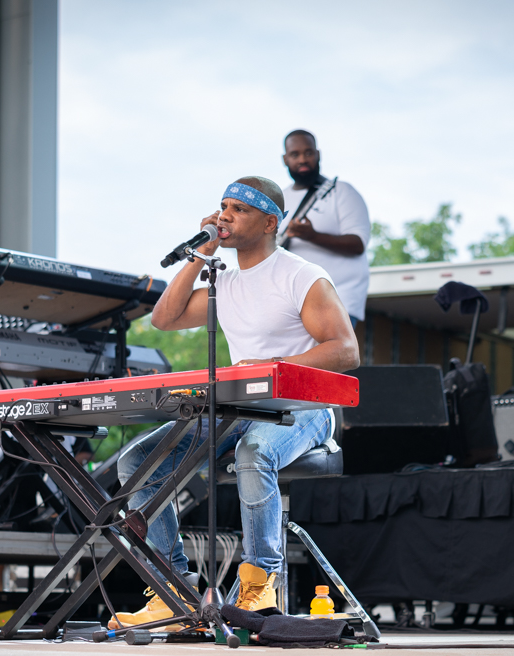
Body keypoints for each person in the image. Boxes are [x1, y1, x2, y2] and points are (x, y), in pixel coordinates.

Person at [109, 176, 359, 628]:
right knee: (137, 461)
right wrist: (199, 256)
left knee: (253, 451)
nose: (224, 215)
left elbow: (345, 350)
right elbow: (164, 318)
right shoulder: (223, 281)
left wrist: (273, 366)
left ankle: (260, 583)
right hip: (240, 407)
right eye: (223, 206)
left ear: (270, 222)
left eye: (239, 209)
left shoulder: (301, 276)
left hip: (303, 406)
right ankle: (172, 590)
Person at [280, 130, 372, 326]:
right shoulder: (279, 198)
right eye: (295, 154)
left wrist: (312, 236)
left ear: (318, 155)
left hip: (337, 301)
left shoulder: (342, 191)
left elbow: (358, 244)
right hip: (291, 304)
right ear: (285, 159)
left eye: (308, 153)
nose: (303, 159)